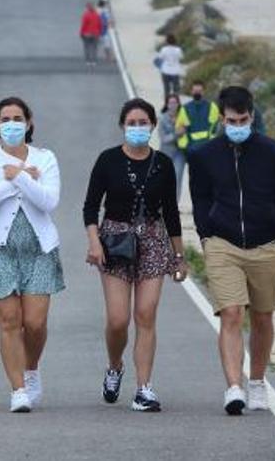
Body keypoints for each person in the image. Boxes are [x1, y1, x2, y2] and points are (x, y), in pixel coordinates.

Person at [187, 86, 275, 416]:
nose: (238, 124)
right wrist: (207, 234)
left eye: (244, 119)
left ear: (252, 116)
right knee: (232, 314)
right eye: (232, 120)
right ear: (221, 119)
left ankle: (258, 382)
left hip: (267, 245)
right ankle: (234, 387)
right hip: (223, 244)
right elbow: (201, 199)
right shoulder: (204, 155)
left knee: (262, 317)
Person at [84, 98, 187, 412]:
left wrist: (179, 256)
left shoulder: (163, 164)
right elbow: (90, 206)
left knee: (146, 314)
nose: (138, 128)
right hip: (115, 240)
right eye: (132, 123)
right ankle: (115, 366)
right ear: (122, 126)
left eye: (144, 123)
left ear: (153, 126)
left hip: (153, 240)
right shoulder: (107, 160)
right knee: (118, 320)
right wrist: (94, 242)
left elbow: (171, 211)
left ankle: (144, 389)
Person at [0, 97, 64, 413]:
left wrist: (18, 175)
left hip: (38, 248)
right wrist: (18, 177)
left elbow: (48, 201)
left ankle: (31, 368)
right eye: (6, 119)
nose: (12, 124)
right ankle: (18, 390)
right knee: (10, 320)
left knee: (35, 323)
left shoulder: (46, 158)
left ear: (29, 122)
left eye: (18, 118)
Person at [175, 80, 220, 154]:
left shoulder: (212, 106)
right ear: (191, 91)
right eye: (195, 91)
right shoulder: (185, 108)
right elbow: (179, 128)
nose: (197, 93)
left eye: (199, 91)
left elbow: (215, 126)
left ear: (203, 92)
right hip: (191, 147)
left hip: (209, 146)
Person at [158, 94, 186, 197]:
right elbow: (163, 138)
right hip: (166, 153)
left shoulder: (183, 117)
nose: (173, 105)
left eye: (175, 103)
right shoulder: (162, 119)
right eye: (171, 103)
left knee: (177, 177)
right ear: (167, 104)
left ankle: (175, 204)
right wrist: (176, 134)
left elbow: (187, 132)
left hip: (180, 153)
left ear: (178, 104)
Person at [154, 34, 184, 99]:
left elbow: (160, 58)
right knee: (176, 89)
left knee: (166, 89)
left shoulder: (164, 49)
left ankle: (167, 102)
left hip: (165, 70)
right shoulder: (178, 50)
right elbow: (181, 58)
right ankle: (176, 103)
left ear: (167, 41)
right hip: (175, 71)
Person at [80, 2, 103, 67]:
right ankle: (94, 61)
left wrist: (81, 33)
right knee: (94, 47)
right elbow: (100, 24)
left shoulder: (86, 15)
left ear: (87, 8)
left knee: (87, 47)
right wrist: (100, 33)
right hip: (96, 33)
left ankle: (88, 61)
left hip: (87, 33)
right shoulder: (97, 15)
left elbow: (83, 25)